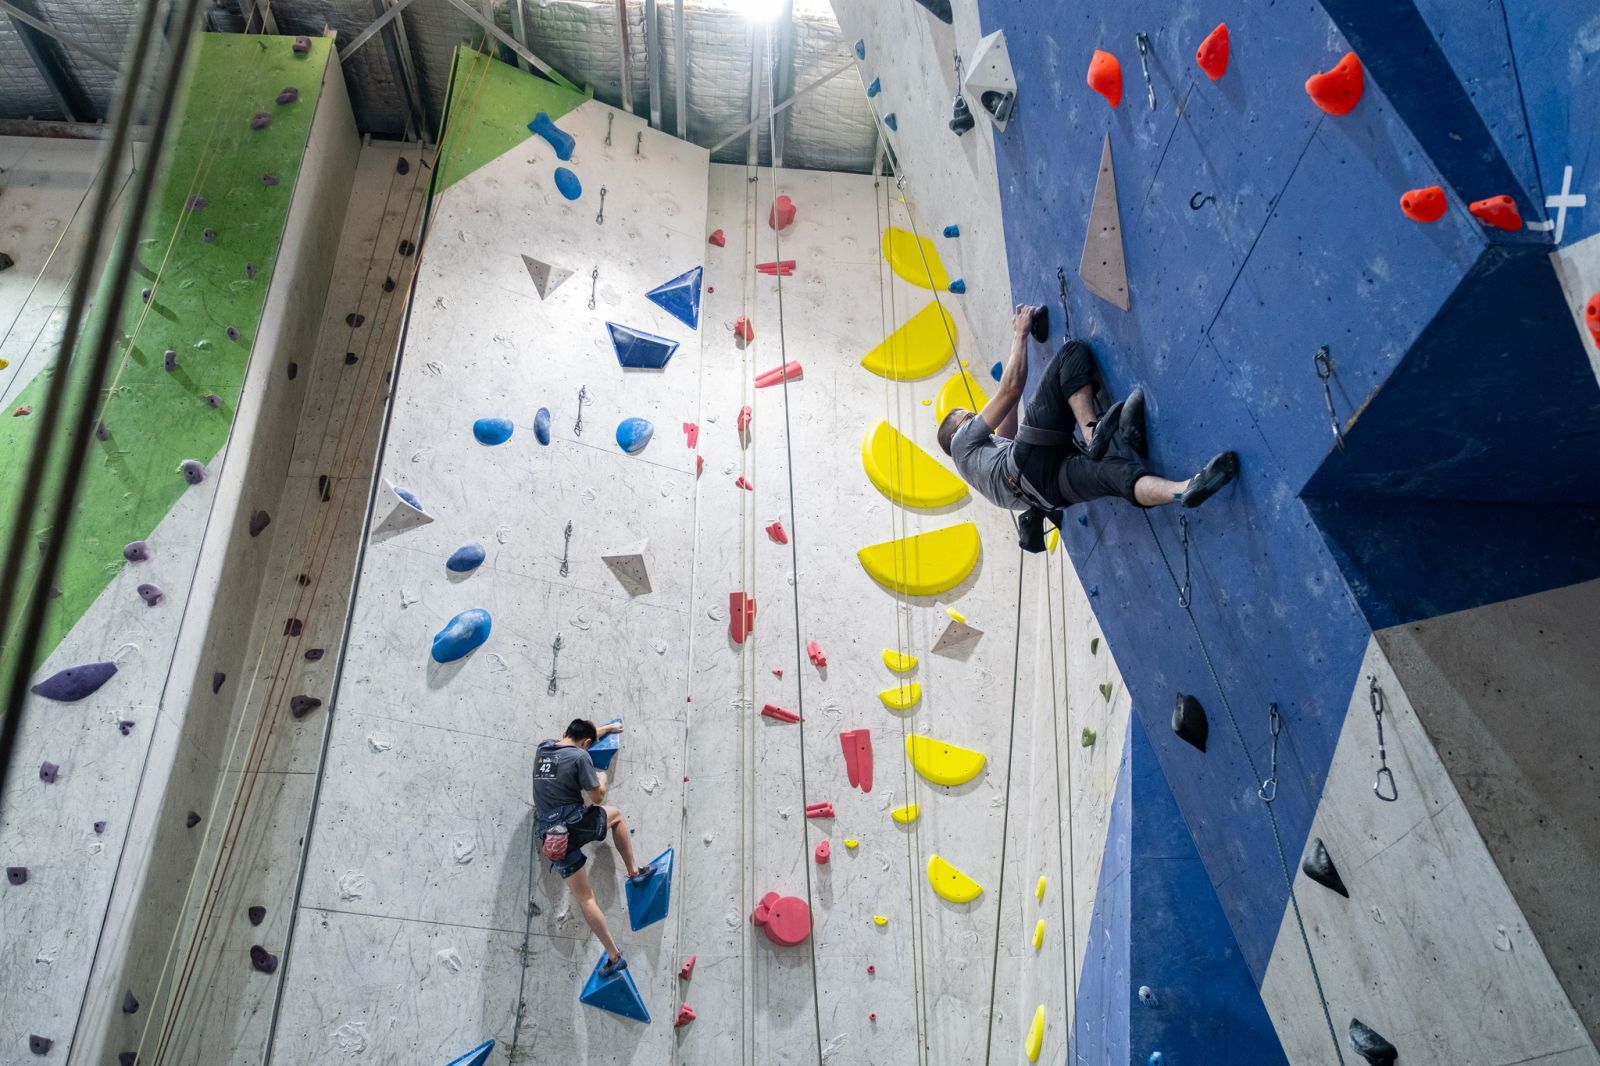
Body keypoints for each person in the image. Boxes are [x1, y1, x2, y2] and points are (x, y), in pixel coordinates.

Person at [937, 303, 1239, 550]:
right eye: (970, 416)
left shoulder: (979, 472)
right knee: (1071, 355)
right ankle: (1092, 431)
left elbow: (1007, 431)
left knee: (1117, 477)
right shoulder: (961, 441)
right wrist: (1019, 334)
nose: (976, 418)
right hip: (1027, 462)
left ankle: (1183, 490)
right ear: (957, 430)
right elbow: (1010, 391)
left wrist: (1017, 363)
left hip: (1048, 492)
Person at [533, 718, 654, 977]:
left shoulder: (543, 749)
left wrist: (607, 729)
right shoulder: (580, 758)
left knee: (585, 898)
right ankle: (634, 872)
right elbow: (597, 796)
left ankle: (614, 956)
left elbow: (576, 738)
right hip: (573, 824)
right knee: (616, 815)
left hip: (551, 838)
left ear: (566, 732)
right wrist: (601, 779)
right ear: (586, 744)